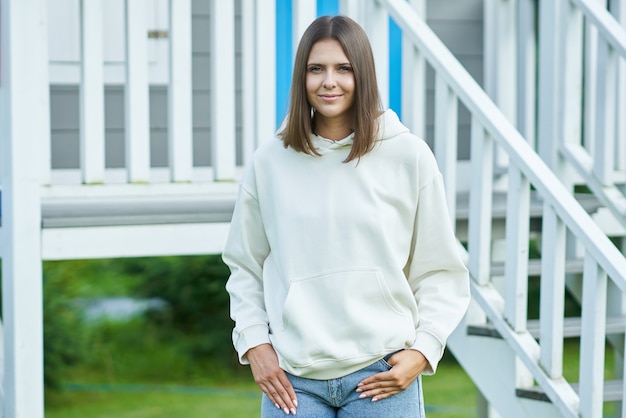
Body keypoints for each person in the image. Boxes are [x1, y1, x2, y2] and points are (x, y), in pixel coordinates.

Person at [223, 15, 470, 417]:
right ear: (302, 78)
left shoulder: (408, 156)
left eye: (343, 69)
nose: (329, 81)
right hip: (293, 377)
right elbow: (244, 265)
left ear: (363, 75)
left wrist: (424, 350)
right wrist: (254, 343)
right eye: (316, 69)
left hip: (382, 372)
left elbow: (441, 270)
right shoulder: (270, 162)